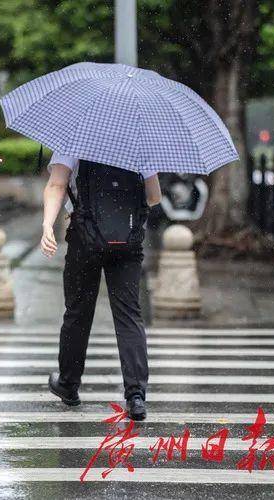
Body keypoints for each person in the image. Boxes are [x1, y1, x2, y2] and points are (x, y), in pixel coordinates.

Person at [41, 152, 162, 421]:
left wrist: (48, 225)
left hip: (84, 238)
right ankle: (136, 395)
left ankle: (69, 384)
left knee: (78, 312)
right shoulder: (139, 142)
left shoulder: (74, 139)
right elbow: (154, 196)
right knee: (129, 314)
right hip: (128, 241)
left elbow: (57, 185)